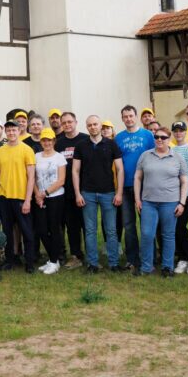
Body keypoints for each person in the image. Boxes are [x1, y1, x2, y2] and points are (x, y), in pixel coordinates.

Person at [134, 126, 188, 277]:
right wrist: (137, 199)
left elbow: (184, 181)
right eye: (157, 137)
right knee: (146, 234)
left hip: (170, 203)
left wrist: (182, 203)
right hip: (148, 202)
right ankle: (146, 267)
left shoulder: (177, 157)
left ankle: (167, 267)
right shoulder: (145, 155)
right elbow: (137, 178)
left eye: (163, 137)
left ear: (169, 139)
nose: (159, 140)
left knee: (168, 235)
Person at [73, 115, 124, 273]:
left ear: (100, 126)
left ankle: (114, 263)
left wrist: (119, 192)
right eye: (90, 125)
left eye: (95, 124)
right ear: (86, 127)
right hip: (87, 193)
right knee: (90, 230)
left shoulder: (111, 144)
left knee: (111, 230)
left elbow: (120, 169)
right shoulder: (81, 146)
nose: (93, 127)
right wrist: (78, 194)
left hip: (108, 192)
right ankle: (92, 264)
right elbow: (75, 171)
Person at [0, 119, 38, 272]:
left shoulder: (26, 150)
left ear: (19, 131)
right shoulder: (0, 151)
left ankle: (29, 262)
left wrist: (28, 200)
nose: (11, 133)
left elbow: (31, 177)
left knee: (27, 231)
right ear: (6, 132)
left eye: (14, 130)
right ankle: (10, 259)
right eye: (9, 130)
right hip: (3, 197)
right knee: (7, 231)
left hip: (20, 197)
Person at [115, 105, 155, 272]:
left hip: (145, 186)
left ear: (136, 116)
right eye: (125, 116)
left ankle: (149, 258)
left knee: (147, 224)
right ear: (122, 118)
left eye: (131, 116)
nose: (129, 119)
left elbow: (154, 156)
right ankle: (132, 259)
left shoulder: (148, 135)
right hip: (125, 187)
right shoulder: (118, 138)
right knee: (129, 224)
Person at [54, 111, 88, 267]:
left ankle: (91, 255)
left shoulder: (85, 139)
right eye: (64, 122)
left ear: (76, 122)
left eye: (70, 121)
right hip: (66, 191)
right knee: (72, 225)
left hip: (86, 189)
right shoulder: (58, 143)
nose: (67, 125)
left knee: (88, 225)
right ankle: (76, 255)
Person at [33, 128, 67, 274]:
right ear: (41, 141)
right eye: (44, 140)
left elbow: (61, 180)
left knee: (54, 229)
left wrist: (44, 194)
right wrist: (37, 195)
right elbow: (32, 178)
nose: (46, 142)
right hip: (39, 197)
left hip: (56, 197)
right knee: (41, 229)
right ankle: (53, 259)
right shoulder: (36, 156)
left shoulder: (59, 157)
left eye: (49, 140)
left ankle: (54, 261)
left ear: (54, 141)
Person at [169, 121, 188, 273]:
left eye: (181, 130)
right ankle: (182, 258)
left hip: (186, 195)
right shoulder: (171, 149)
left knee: (180, 227)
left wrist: (183, 195)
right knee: (174, 228)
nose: (178, 133)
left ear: (185, 132)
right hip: (171, 194)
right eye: (176, 131)